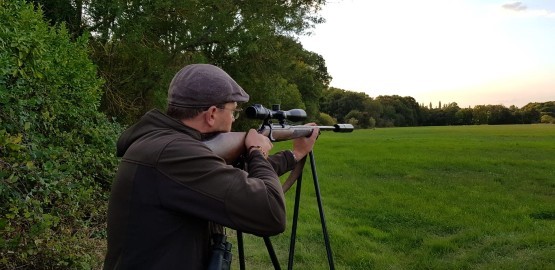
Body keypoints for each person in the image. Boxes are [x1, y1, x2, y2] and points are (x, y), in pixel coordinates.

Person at [103, 64, 319, 269]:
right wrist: (257, 152)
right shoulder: (174, 153)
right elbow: (270, 213)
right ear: (212, 113)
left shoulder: (164, 145)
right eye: (233, 111)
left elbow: (232, 180)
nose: (233, 119)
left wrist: (294, 154)